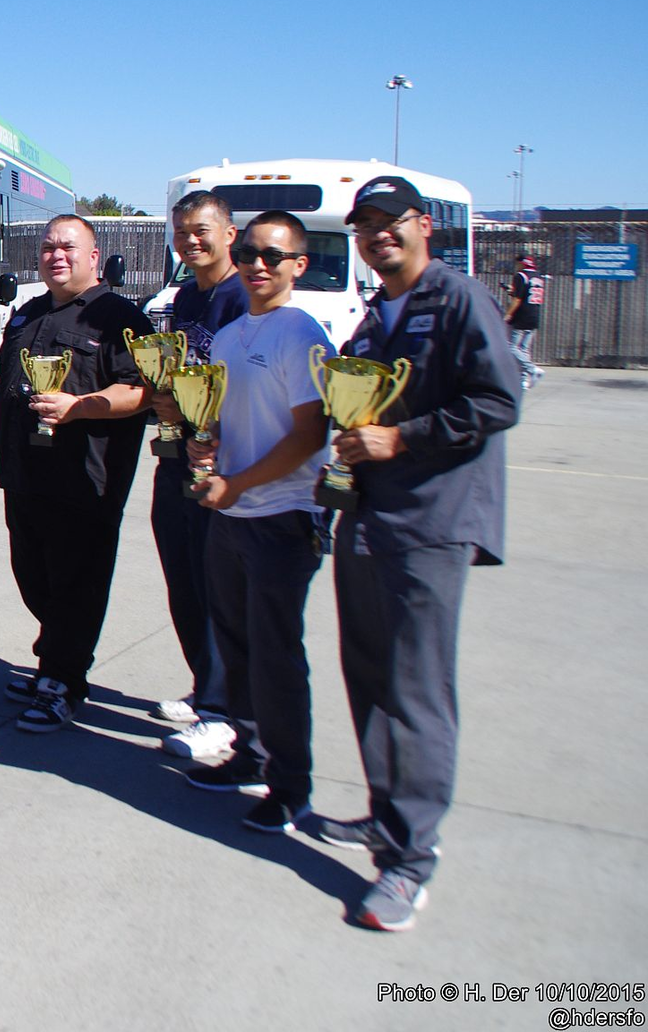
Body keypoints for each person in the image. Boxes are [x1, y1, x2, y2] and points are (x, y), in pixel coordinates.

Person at [318, 175, 520, 932]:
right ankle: (385, 819)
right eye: (364, 225)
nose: (376, 236)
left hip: (429, 522)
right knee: (368, 675)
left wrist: (401, 437)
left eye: (388, 221)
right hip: (368, 518)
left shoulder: (459, 299)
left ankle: (411, 862)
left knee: (416, 691)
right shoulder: (375, 317)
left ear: (422, 224)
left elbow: (498, 400)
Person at [178, 211, 332, 833]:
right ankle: (250, 753)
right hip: (232, 515)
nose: (257, 265)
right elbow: (221, 418)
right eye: (248, 253)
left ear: (298, 264)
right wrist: (203, 447)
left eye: (273, 255)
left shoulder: (301, 333)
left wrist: (236, 483)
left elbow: (309, 434)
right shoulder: (234, 333)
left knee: (276, 656)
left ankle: (290, 787)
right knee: (237, 648)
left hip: (282, 518)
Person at [0, 214, 151, 732]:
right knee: (33, 577)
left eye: (67, 247)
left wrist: (78, 407)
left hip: (84, 480)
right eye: (47, 247)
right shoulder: (29, 313)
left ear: (93, 256)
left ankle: (65, 680)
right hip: (24, 472)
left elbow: (139, 391)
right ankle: (51, 661)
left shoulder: (119, 318)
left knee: (76, 584)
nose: (56, 255)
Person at [148, 191, 250, 757]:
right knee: (183, 580)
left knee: (218, 587)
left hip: (225, 465)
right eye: (182, 230)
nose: (191, 239)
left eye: (202, 229)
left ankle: (223, 709)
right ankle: (205, 685)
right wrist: (165, 403)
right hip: (177, 458)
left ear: (229, 234)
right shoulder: (185, 295)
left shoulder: (243, 297)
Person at [504, 254, 545, 390]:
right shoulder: (538, 276)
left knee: (511, 347)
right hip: (534, 314)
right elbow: (526, 293)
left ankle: (532, 369)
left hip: (522, 315)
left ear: (522, 263)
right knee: (524, 349)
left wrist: (508, 315)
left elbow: (518, 300)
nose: (516, 266)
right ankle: (523, 380)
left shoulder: (521, 276)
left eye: (517, 264)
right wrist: (511, 291)